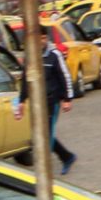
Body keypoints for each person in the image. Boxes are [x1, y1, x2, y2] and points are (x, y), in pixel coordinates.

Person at [39, 37, 75, 174]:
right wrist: (22, 99)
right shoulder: (31, 55)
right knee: (42, 133)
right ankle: (67, 156)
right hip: (37, 102)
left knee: (46, 134)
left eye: (42, 37)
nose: (40, 41)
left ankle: (44, 170)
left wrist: (67, 99)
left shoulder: (54, 55)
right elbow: (26, 77)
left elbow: (65, 76)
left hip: (51, 101)